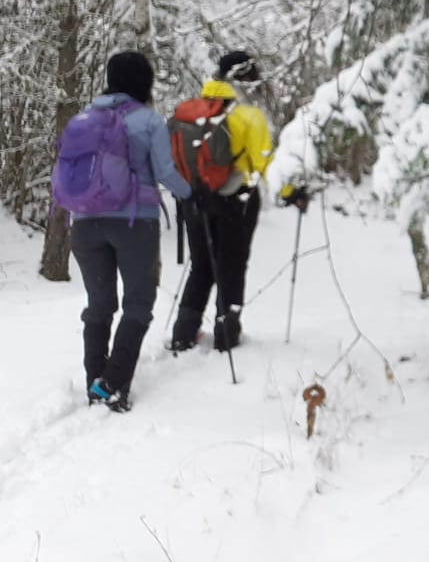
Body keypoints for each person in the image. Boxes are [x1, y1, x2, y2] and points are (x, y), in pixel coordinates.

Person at [68, 51, 193, 412]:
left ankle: (96, 383)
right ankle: (114, 381)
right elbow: (166, 173)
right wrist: (191, 194)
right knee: (138, 302)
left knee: (98, 305)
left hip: (85, 224)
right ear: (144, 81)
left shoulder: (83, 118)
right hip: (133, 222)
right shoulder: (148, 120)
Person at [169, 50, 274, 353]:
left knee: (201, 265)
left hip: (194, 200)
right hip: (235, 200)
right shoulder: (248, 115)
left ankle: (183, 333)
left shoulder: (194, 110)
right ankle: (227, 334)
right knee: (233, 265)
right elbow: (264, 162)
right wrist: (291, 190)